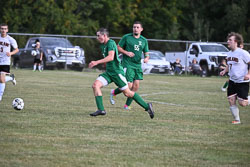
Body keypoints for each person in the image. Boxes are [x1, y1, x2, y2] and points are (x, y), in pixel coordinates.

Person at [89, 28, 154, 119]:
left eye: (98, 35)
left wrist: (96, 62)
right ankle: (101, 110)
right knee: (95, 85)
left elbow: (111, 57)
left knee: (128, 93)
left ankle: (147, 107)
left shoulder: (111, 43)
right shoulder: (102, 45)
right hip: (109, 73)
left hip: (117, 73)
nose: (97, 37)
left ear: (104, 35)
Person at [109, 21, 150, 110]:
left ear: (141, 29)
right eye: (134, 27)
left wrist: (147, 58)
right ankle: (114, 92)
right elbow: (118, 47)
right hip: (128, 64)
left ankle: (126, 105)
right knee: (129, 86)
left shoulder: (144, 40)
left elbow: (146, 52)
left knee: (135, 87)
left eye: (137, 27)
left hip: (138, 65)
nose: (135, 29)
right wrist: (126, 52)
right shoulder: (127, 37)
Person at [220, 32, 250, 124]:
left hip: (242, 81)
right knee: (231, 99)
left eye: (230, 40)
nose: (227, 41)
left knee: (242, 103)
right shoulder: (229, 54)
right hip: (232, 81)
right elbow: (229, 65)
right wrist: (224, 71)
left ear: (236, 41)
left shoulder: (243, 53)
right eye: (228, 40)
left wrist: (249, 74)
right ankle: (237, 120)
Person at [0, 23, 19, 102]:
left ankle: (0, 97)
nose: (3, 30)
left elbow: (17, 49)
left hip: (5, 61)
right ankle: (11, 78)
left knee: (1, 79)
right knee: (1, 79)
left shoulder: (10, 39)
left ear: (7, 30)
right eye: (2, 29)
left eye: (5, 29)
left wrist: (10, 53)